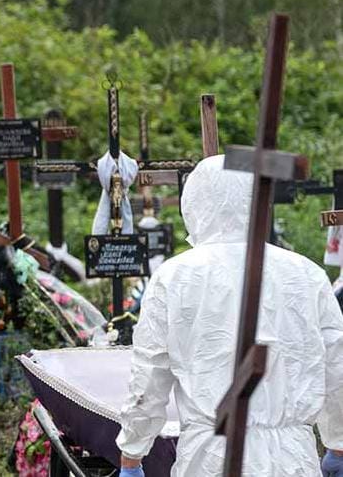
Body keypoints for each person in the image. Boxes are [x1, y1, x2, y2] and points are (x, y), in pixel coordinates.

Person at [115, 155, 343, 476]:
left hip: (210, 459)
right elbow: (336, 365)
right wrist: (339, 443)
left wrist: (132, 454)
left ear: (194, 204)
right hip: (290, 460)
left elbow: (150, 374)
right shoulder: (306, 274)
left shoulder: (174, 277)